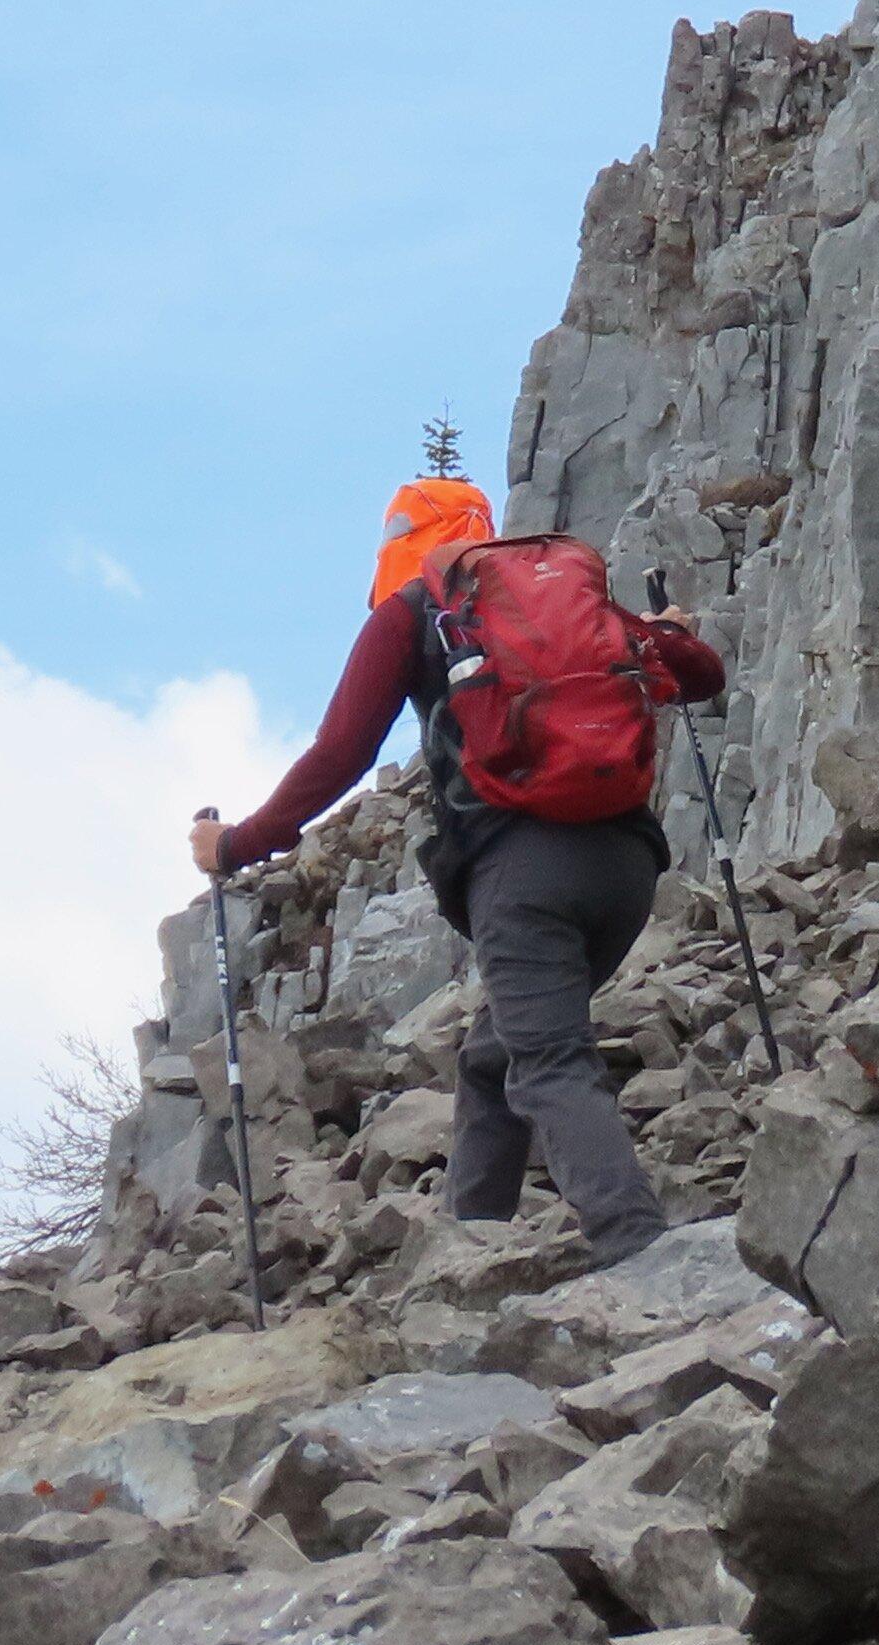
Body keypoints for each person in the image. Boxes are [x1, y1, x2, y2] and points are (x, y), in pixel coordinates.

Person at [193, 479, 724, 1267]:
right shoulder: (561, 603)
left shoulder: (413, 614)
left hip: (524, 875)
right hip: (625, 870)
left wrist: (235, 845)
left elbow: (340, 755)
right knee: (494, 1055)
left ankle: (642, 1253)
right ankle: (470, 1247)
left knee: (551, 1064)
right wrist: (666, 633)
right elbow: (701, 673)